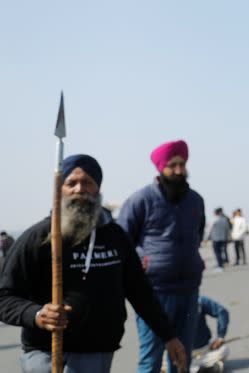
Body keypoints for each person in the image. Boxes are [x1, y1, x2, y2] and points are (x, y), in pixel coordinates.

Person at [0, 154, 187, 373]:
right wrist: (38, 314)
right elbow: (4, 297)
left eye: (87, 182)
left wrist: (168, 335)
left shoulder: (115, 236)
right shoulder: (38, 238)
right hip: (47, 351)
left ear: (97, 188)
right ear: (60, 189)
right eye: (71, 183)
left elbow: (140, 291)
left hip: (99, 352)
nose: (79, 189)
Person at [118, 140, 206, 373]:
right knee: (151, 358)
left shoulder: (196, 200)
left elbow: (197, 235)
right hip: (153, 293)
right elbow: (123, 243)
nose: (179, 170)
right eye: (172, 165)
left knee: (182, 357)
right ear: (160, 168)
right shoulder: (141, 200)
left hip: (188, 289)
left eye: (182, 164)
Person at [191, 296, 231, 373]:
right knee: (170, 361)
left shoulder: (199, 301)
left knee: (224, 350)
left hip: (204, 349)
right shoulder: (169, 305)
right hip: (180, 353)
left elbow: (221, 312)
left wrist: (220, 337)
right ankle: (204, 369)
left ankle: (194, 368)